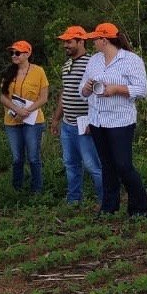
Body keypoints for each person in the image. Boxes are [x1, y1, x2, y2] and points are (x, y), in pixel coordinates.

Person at [80, 23, 147, 217]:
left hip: (120, 121)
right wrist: (86, 88)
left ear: (104, 40)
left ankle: (140, 207)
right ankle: (109, 206)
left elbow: (142, 89)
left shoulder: (130, 60)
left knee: (123, 165)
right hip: (97, 120)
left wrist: (117, 89)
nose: (93, 42)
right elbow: (83, 91)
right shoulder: (93, 61)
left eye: (95, 39)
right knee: (107, 165)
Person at [50, 25, 103, 206]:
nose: (66, 45)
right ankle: (74, 199)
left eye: (69, 41)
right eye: (65, 42)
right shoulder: (67, 65)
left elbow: (98, 93)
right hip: (68, 124)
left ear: (81, 41)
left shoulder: (92, 63)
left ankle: (105, 199)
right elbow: (65, 92)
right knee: (70, 163)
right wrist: (56, 119)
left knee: (92, 165)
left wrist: (93, 121)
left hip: (85, 123)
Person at [0, 40, 49, 195]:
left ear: (28, 54)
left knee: (33, 157)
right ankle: (17, 189)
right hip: (12, 121)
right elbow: (3, 97)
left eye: (18, 53)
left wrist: (27, 110)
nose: (14, 56)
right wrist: (16, 109)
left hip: (33, 119)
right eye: (12, 53)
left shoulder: (39, 71)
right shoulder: (8, 72)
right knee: (17, 158)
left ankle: (37, 191)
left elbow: (44, 97)